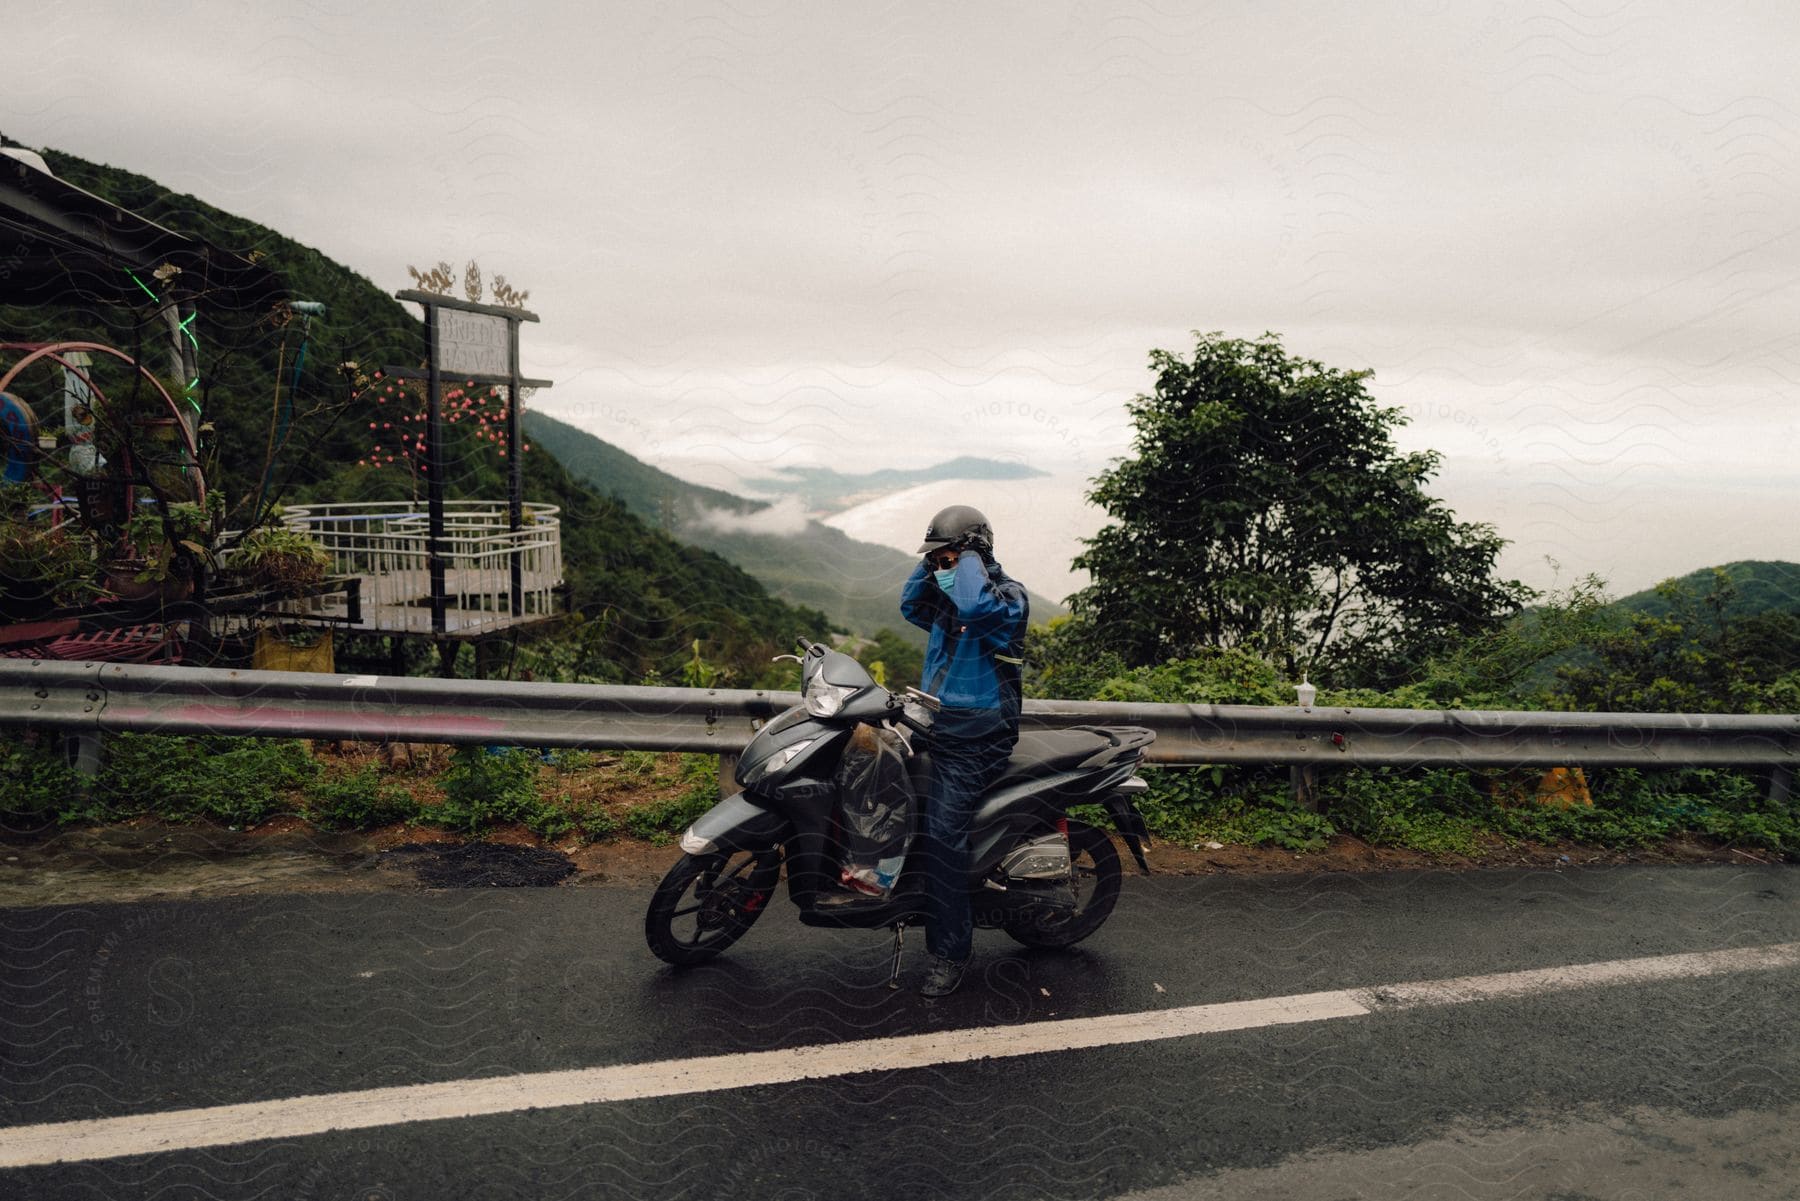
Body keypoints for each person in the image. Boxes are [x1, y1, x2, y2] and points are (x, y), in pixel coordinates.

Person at [899, 504, 1029, 997]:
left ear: (976, 553)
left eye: (949, 558)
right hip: (936, 724)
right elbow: (909, 605)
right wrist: (934, 557)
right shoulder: (947, 597)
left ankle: (950, 951)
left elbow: (975, 607)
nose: (941, 569)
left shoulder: (1007, 602)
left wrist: (968, 557)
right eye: (938, 561)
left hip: (978, 740)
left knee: (943, 836)